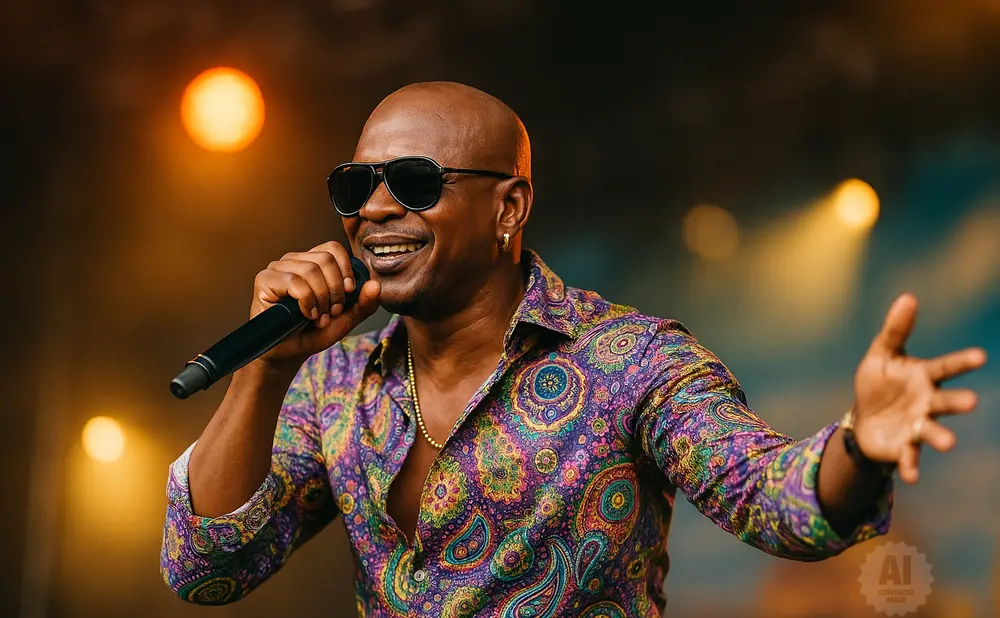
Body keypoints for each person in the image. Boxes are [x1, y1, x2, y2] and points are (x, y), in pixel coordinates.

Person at [159, 82, 987, 616]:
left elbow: (778, 503)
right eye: (354, 186)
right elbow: (206, 570)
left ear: (508, 207)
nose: (374, 209)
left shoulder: (631, 362)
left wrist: (861, 446)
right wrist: (268, 369)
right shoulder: (334, 382)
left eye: (412, 182)